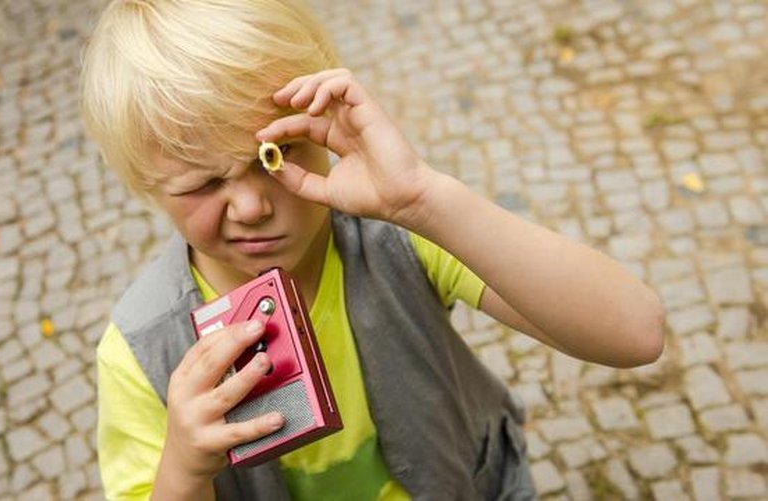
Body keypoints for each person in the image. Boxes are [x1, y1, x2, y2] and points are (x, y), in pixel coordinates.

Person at [80, 1, 665, 500]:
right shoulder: (141, 350)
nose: (252, 207)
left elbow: (637, 333)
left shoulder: (397, 234)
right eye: (204, 184)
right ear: (147, 187)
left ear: (318, 122)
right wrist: (182, 467)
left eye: (274, 156)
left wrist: (421, 199)